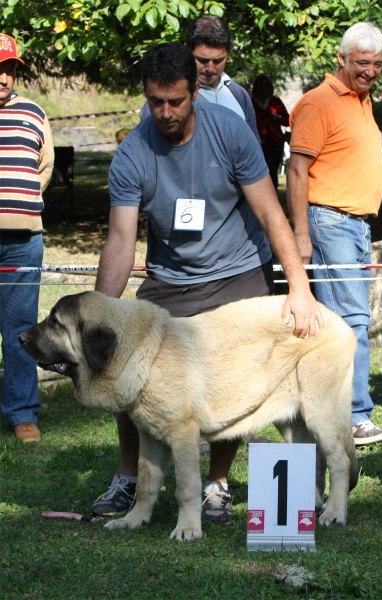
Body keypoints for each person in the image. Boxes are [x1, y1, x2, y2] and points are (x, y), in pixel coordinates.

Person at [90, 43, 323, 522]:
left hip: (236, 270)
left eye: (175, 100)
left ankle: (217, 483)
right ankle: (128, 477)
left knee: (233, 375)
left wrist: (298, 287)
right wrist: (100, 312)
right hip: (169, 279)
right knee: (131, 365)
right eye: (156, 101)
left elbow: (268, 211)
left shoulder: (232, 132)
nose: (166, 112)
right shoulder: (133, 152)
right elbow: (119, 240)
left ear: (195, 91)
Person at [287, 22, 382, 446]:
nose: (370, 72)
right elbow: (296, 170)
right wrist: (300, 234)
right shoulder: (319, 102)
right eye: (362, 64)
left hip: (355, 225)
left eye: (377, 65)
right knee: (353, 321)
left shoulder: (361, 99)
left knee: (340, 323)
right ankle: (355, 416)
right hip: (330, 221)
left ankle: (330, 410)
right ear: (342, 60)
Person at [0, 33, 54, 442]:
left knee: (19, 328)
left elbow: (45, 167)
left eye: (8, 69)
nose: (3, 78)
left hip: (23, 240)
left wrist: (21, 204)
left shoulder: (34, 113)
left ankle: (22, 412)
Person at [141, 15, 259, 140]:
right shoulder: (164, 99)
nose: (210, 68)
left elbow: (255, 149)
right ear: (187, 51)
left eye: (218, 60)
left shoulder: (239, 95)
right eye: (202, 60)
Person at [252, 75, 290, 189]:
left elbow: (288, 120)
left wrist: (277, 118)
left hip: (275, 142)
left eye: (266, 86)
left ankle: (274, 197)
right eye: (261, 86)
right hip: (257, 143)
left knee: (273, 171)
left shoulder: (275, 102)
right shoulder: (251, 102)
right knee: (259, 172)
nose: (264, 89)